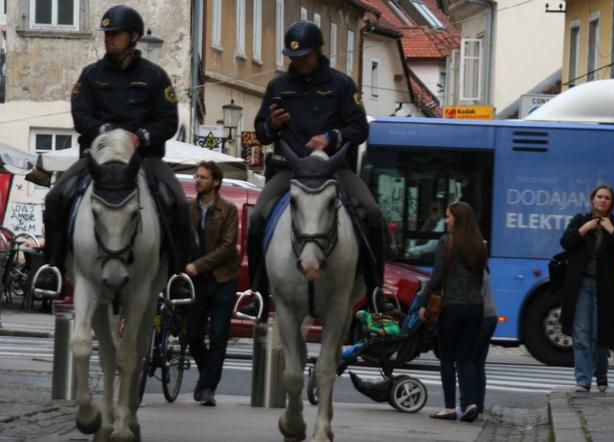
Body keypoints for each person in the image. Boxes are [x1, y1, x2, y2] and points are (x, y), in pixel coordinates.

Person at [33, 5, 193, 295]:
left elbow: (168, 120)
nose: (109, 39)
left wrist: (141, 138)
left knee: (179, 204)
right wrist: (110, 135)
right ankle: (52, 267)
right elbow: (81, 116)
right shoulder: (91, 75)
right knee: (57, 196)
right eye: (107, 34)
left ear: (133, 37)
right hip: (98, 158)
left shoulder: (155, 77)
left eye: (115, 34)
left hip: (144, 158)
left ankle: (178, 276)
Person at [243, 20, 380, 320]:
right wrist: (272, 125)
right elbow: (261, 131)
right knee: (257, 219)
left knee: (372, 213)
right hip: (288, 171)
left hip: (333, 170)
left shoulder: (341, 85)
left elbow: (359, 127)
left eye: (304, 55)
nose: (298, 62)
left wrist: (331, 137)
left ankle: (376, 291)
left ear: (318, 52)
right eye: (293, 56)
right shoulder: (277, 86)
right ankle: (257, 293)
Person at [418, 201, 487, 423]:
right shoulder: (479, 244)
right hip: (475, 307)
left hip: (452, 308)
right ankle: (471, 403)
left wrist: (423, 303)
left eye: (448, 217)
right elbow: (478, 279)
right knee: (466, 358)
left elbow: (436, 277)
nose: (446, 221)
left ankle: (449, 407)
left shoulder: (446, 242)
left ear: (457, 219)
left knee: (447, 357)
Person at [559, 184, 614, 393]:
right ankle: (583, 380)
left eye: (607, 198)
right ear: (592, 200)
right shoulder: (580, 220)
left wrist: (611, 231)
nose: (602, 200)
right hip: (581, 285)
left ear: (612, 204)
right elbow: (566, 242)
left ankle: (601, 374)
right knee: (581, 333)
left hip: (606, 287)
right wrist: (585, 229)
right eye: (599, 197)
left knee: (601, 334)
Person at [185, 161, 239, 407]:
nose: (197, 181)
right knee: (193, 334)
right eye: (196, 176)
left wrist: (199, 265)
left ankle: (207, 387)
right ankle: (208, 374)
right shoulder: (189, 209)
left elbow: (228, 247)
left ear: (215, 182)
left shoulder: (228, 210)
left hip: (223, 278)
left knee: (218, 334)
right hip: (196, 281)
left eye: (203, 177)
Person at [460, 269, 497, 421]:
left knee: (464, 359)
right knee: (478, 363)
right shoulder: (481, 268)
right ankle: (479, 407)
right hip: (491, 316)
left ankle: (469, 405)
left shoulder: (471, 271)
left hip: (480, 319)